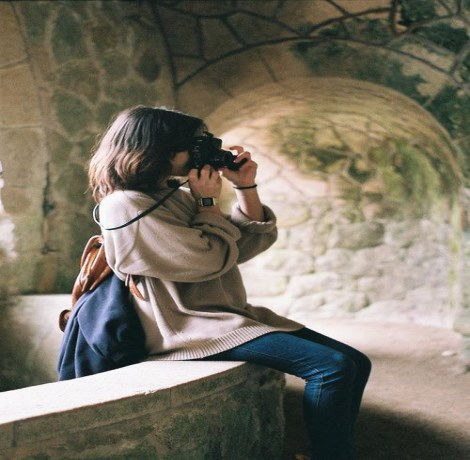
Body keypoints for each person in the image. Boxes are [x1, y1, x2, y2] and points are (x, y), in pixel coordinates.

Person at [88, 105, 372, 460]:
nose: (198, 152)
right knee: (332, 367)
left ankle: (329, 452)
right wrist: (206, 201)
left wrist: (245, 187)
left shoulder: (173, 195)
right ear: (158, 148)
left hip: (226, 315)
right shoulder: (125, 205)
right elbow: (206, 258)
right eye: (190, 145)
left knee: (355, 361)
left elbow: (244, 245)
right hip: (191, 325)